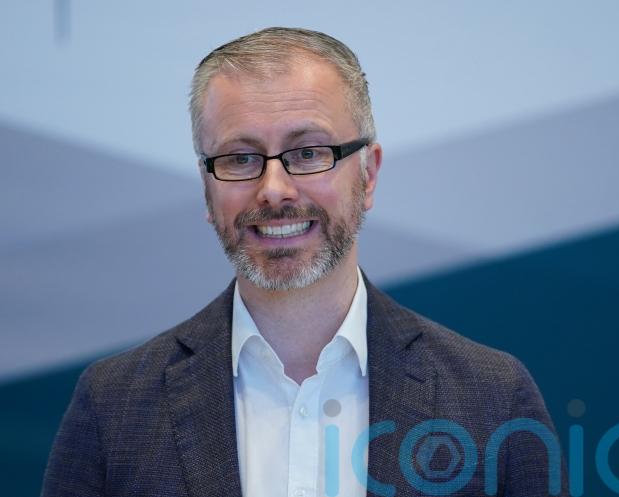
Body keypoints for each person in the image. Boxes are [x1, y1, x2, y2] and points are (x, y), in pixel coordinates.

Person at [42, 27, 567, 497]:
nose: (274, 189)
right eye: (240, 158)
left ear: (369, 175)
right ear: (206, 188)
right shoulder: (112, 406)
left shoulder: (492, 396)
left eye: (309, 152)